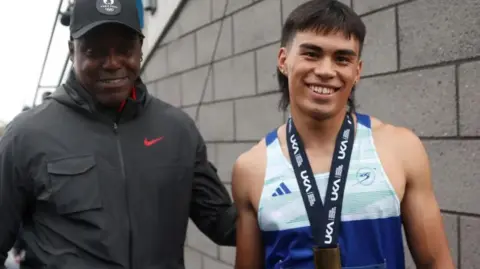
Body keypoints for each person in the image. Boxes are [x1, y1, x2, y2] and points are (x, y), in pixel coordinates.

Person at [0, 0, 236, 268]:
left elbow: (223, 224)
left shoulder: (178, 130)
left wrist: (281, 176)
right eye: (95, 51)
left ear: (140, 49)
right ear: (71, 51)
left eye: (125, 49)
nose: (112, 63)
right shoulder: (25, 136)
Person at [232, 1, 454, 268]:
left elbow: (436, 263)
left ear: (357, 71)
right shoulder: (252, 168)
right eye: (311, 54)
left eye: (342, 58)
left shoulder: (400, 149)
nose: (326, 71)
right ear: (283, 61)